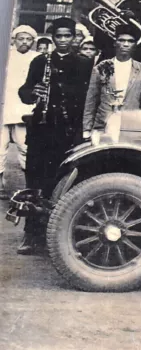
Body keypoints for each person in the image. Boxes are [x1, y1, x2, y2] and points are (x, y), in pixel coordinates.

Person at [17, 18, 93, 254]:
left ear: (74, 38)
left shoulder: (84, 63)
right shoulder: (40, 61)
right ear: (52, 38)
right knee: (35, 181)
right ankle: (32, 235)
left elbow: (88, 98)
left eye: (67, 36)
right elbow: (25, 92)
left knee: (64, 182)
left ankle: (61, 235)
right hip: (42, 129)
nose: (62, 41)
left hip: (68, 130)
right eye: (58, 37)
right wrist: (34, 92)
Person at [83, 24, 141, 143]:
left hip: (132, 126)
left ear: (135, 45)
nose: (125, 44)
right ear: (115, 43)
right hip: (103, 125)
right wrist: (87, 129)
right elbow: (91, 101)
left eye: (130, 41)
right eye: (121, 40)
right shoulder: (101, 67)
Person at [0, 25, 40, 200]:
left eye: (28, 39)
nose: (24, 42)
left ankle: (29, 188)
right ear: (14, 40)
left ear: (33, 41)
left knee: (26, 149)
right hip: (4, 108)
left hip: (25, 111)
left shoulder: (38, 58)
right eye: (21, 38)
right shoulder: (5, 55)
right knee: (0, 149)